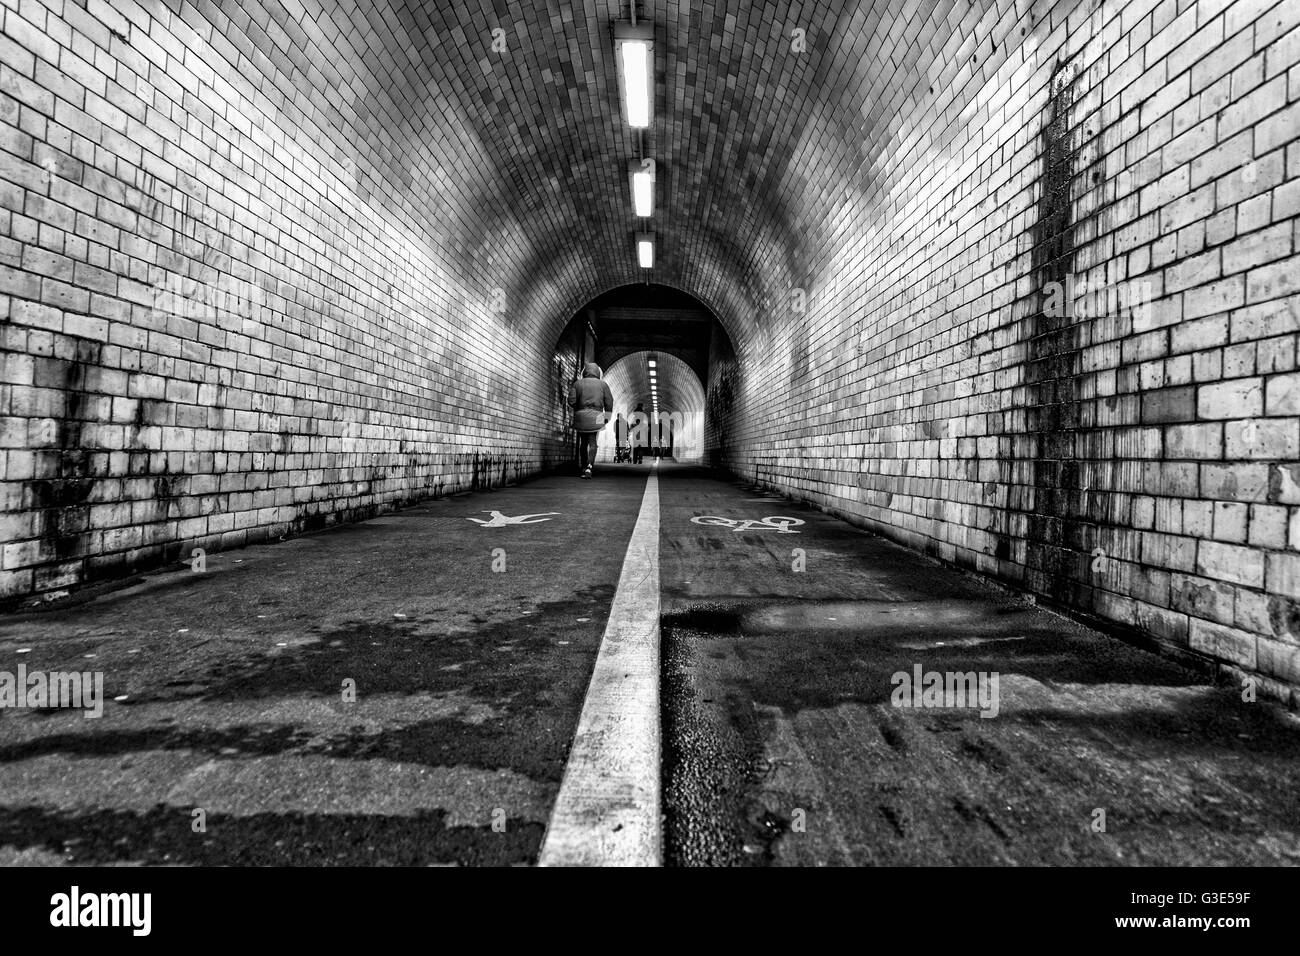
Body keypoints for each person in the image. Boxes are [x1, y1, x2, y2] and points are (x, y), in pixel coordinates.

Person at [568, 363, 614, 479]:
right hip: (597, 415)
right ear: (598, 372)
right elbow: (609, 401)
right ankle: (589, 466)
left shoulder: (578, 384)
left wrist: (579, 409)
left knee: (583, 443)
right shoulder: (603, 385)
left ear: (585, 371)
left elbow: (571, 401)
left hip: (581, 416)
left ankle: (583, 467)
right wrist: (607, 416)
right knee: (593, 442)